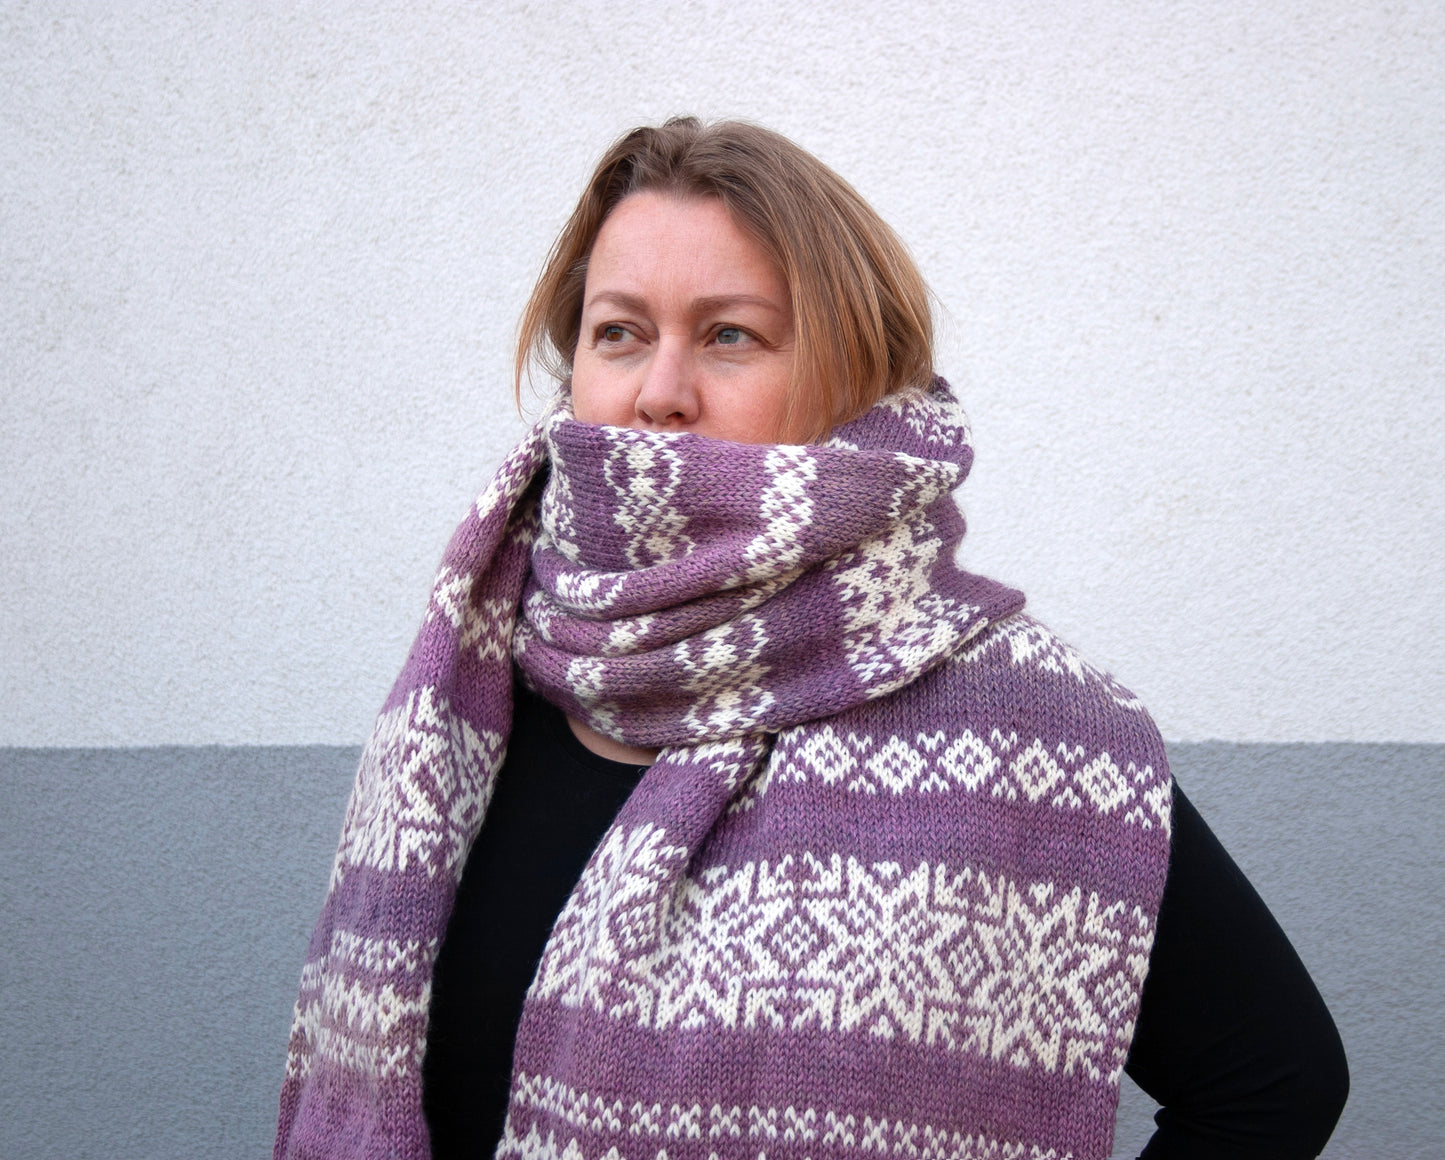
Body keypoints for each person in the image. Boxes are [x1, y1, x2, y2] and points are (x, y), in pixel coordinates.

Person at [273, 118, 1348, 1160]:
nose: (659, 392)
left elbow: (1271, 1083)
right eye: (619, 332)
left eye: (729, 333)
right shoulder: (468, 688)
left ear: (850, 376)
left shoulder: (1033, 727)